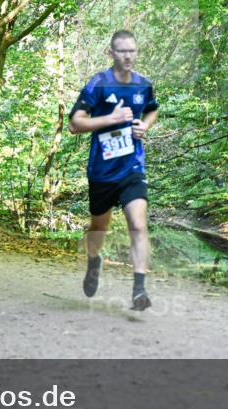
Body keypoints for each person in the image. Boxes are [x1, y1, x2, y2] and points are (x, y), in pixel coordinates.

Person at [68, 30, 159, 310]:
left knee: (138, 223)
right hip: (102, 171)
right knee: (99, 228)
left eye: (132, 50)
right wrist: (112, 118)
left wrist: (145, 125)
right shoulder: (99, 84)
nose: (128, 56)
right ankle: (94, 261)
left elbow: (152, 109)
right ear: (111, 53)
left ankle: (139, 289)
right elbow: (75, 123)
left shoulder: (144, 85)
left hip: (132, 167)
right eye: (122, 51)